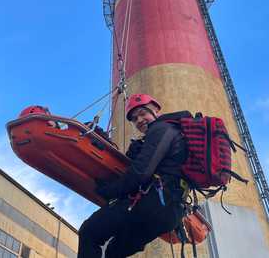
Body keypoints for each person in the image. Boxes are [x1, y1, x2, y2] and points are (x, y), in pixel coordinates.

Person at [77, 93, 189, 258]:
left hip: (152, 203)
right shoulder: (171, 134)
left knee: (90, 233)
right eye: (135, 119)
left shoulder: (161, 129)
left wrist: (108, 191)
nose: (139, 120)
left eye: (143, 113)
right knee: (114, 253)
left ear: (156, 110)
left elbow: (140, 174)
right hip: (169, 212)